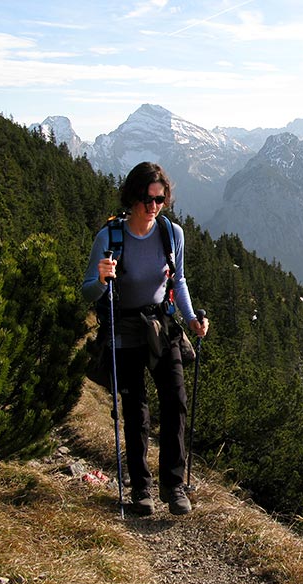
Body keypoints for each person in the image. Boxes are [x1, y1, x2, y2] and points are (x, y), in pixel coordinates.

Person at [82, 162, 208, 516]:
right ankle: (141, 489)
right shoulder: (109, 238)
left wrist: (192, 318)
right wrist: (102, 279)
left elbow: (178, 281)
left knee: (176, 402)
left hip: (161, 325)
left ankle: (173, 486)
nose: (153, 206)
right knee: (136, 412)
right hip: (123, 329)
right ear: (132, 197)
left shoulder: (172, 233)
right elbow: (87, 291)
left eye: (160, 199)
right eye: (146, 198)